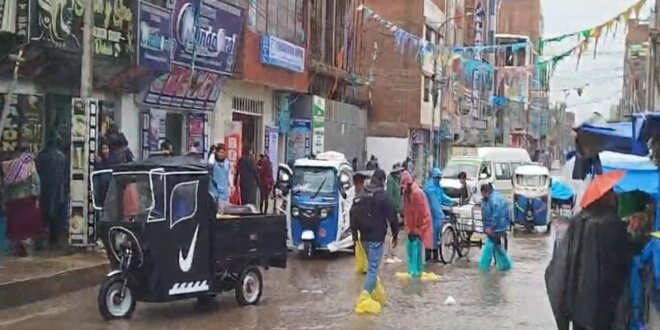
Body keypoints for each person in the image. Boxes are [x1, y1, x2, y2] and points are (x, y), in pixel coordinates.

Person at [545, 189, 632, 330]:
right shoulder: (615, 225)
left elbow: (561, 266)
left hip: (579, 306)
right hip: (606, 308)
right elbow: (624, 263)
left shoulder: (578, 222)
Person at [350, 169, 399, 314]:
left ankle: (377, 296)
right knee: (372, 268)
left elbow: (353, 212)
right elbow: (392, 216)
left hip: (363, 237)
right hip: (376, 238)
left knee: (372, 267)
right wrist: (395, 234)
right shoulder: (382, 196)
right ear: (383, 181)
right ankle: (364, 296)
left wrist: (354, 234)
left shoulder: (362, 193)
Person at [2, 142, 44, 256]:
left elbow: (5, 186)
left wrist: (4, 200)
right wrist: (36, 198)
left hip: (13, 200)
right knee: (26, 228)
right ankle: (26, 250)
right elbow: (35, 182)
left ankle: (17, 250)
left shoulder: (8, 165)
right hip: (27, 199)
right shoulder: (29, 163)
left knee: (16, 227)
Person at [35, 133, 68, 249]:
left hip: (44, 189)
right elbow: (65, 176)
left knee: (43, 216)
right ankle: (53, 242)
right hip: (58, 190)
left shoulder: (40, 156)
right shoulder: (61, 157)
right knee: (56, 218)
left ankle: (41, 241)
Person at [401, 170, 432, 276]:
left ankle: (417, 273)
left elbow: (420, 214)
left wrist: (417, 230)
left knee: (417, 250)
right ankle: (413, 271)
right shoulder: (407, 194)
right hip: (412, 227)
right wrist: (408, 229)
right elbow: (407, 213)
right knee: (411, 250)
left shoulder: (417, 194)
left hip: (421, 225)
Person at [423, 168, 455, 262]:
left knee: (436, 236)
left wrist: (453, 201)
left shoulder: (437, 186)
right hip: (430, 215)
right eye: (438, 177)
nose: (439, 179)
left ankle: (435, 257)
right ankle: (429, 259)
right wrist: (441, 215)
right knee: (430, 236)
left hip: (436, 216)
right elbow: (434, 204)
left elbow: (442, 197)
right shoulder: (430, 188)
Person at [479, 183, 512, 271]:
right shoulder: (492, 198)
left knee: (489, 246)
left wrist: (490, 227)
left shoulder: (494, 200)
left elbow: (497, 215)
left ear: (485, 192)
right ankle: (506, 265)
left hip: (496, 227)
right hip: (498, 226)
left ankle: (484, 267)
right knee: (497, 246)